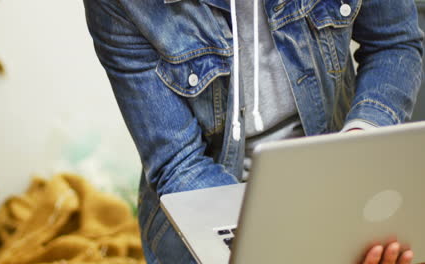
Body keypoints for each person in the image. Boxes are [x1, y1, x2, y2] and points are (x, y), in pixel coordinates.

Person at [82, 0, 423, 263]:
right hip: (211, 209)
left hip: (340, 184)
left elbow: (395, 43)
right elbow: (178, 164)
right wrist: (279, 242)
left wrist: (360, 144)